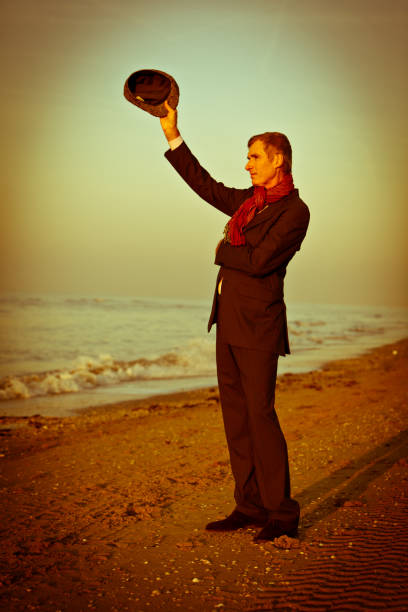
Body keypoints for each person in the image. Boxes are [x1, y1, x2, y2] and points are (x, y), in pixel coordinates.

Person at [159, 101, 310, 541]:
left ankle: (282, 514)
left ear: (278, 159)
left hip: (259, 328)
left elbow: (261, 261)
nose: (247, 165)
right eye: (247, 157)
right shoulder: (249, 203)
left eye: (254, 157)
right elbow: (204, 185)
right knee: (236, 420)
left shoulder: (295, 212)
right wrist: (172, 133)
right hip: (227, 323)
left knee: (261, 418)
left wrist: (223, 250)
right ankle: (249, 505)